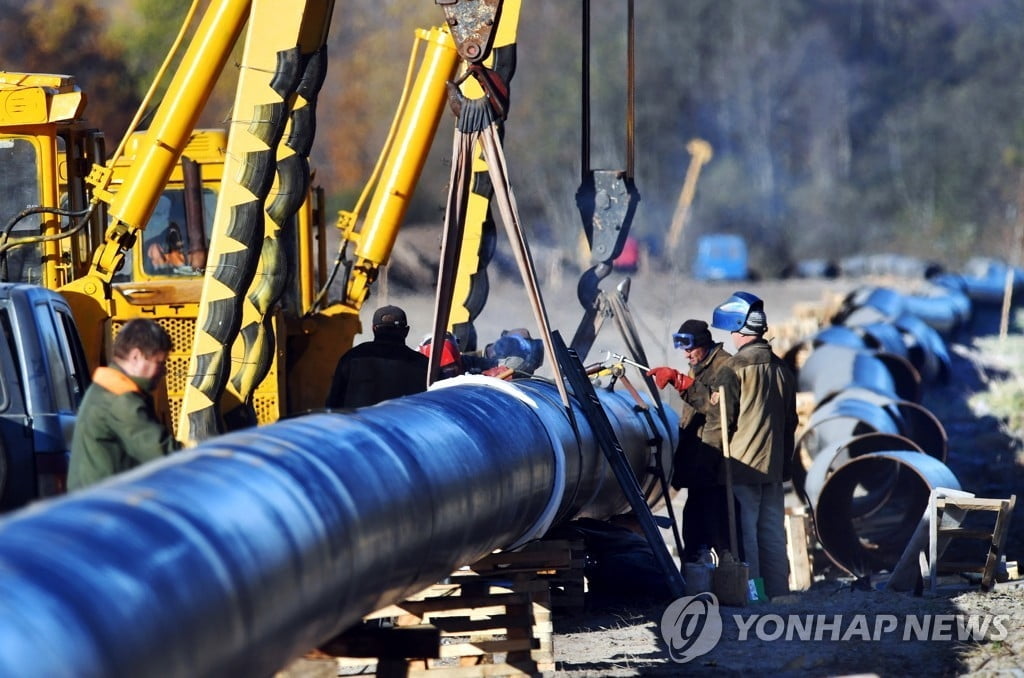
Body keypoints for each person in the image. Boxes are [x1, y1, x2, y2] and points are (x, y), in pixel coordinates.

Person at [710, 291, 798, 599]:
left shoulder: (732, 369)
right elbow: (791, 423)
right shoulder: (783, 369)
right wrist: (784, 466)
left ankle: (755, 595)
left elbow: (722, 422)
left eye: (731, 332)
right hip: (773, 469)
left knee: (745, 539)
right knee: (772, 536)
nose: (731, 337)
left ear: (739, 330)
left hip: (740, 469)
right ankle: (778, 593)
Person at [647, 319, 733, 563]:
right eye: (682, 347)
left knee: (720, 532)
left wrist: (684, 384)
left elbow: (718, 409)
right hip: (699, 466)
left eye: (690, 347)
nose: (686, 353)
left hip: (715, 465)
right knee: (694, 529)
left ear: (704, 343)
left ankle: (734, 585)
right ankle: (697, 582)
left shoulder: (724, 366)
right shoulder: (699, 367)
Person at [68, 319, 179, 490]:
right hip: (106, 505)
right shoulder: (120, 399)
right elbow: (162, 452)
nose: (164, 371)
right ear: (136, 356)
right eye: (159, 363)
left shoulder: (106, 388)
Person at [325, 305, 429, 408]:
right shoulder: (423, 363)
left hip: (359, 423)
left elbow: (334, 402)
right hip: (404, 423)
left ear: (374, 329)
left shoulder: (352, 357)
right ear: (406, 331)